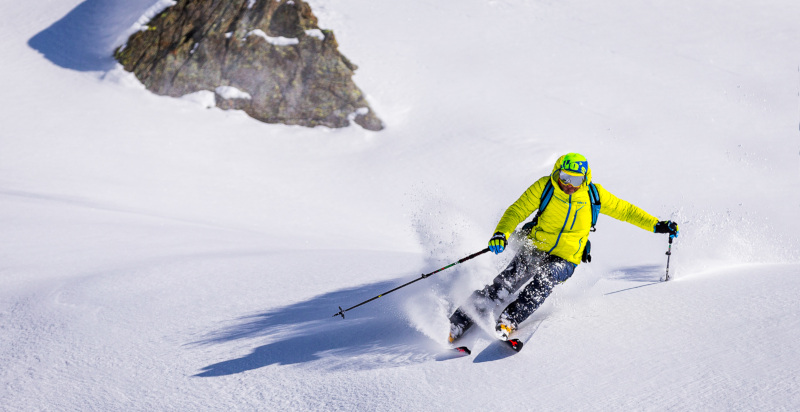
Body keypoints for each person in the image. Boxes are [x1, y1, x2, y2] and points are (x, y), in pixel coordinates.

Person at [448, 153, 679, 342]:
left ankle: (510, 319)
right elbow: (516, 210)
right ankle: (462, 318)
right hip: (536, 246)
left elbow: (626, 211)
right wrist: (501, 233)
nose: (569, 185)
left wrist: (657, 225)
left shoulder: (593, 195)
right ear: (557, 172)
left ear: (585, 179)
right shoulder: (544, 187)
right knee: (507, 282)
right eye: (565, 177)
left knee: (545, 279)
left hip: (567, 257)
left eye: (576, 180)